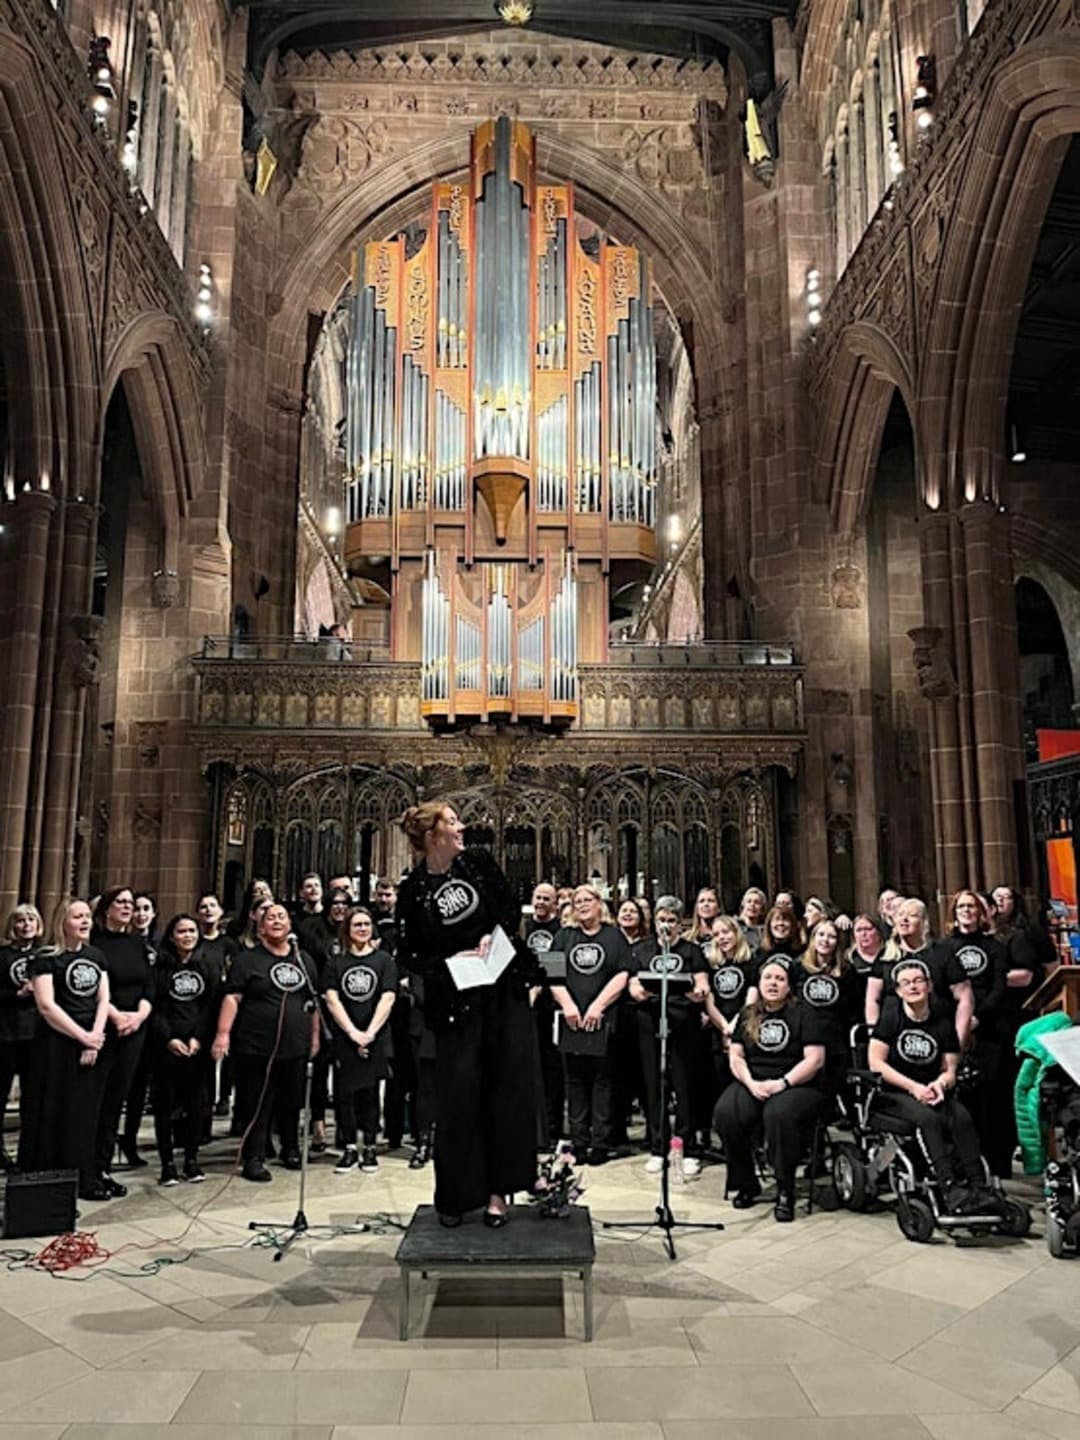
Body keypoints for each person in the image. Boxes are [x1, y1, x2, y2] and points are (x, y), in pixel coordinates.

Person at [395, 802, 541, 1227]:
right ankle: (456, 1195)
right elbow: (410, 952)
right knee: (459, 1097)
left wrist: (487, 938)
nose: (461, 827)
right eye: (453, 822)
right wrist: (449, 958)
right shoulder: (414, 889)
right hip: (456, 1001)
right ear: (433, 835)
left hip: (500, 991)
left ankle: (499, 1193)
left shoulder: (477, 863)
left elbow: (510, 909)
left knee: (504, 1091)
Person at [869, 960, 995, 1214]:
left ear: (929, 986)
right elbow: (876, 1063)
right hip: (896, 1092)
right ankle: (949, 1186)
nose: (913, 987)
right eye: (906, 983)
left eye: (918, 981)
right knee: (927, 1119)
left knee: (960, 1116)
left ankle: (979, 1185)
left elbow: (950, 1069)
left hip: (932, 1089)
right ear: (898, 990)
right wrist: (914, 1088)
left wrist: (940, 1084)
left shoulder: (942, 1022)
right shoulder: (891, 1019)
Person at [211, 902, 320, 1182]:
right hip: (257, 1045)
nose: (276, 921)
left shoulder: (303, 960)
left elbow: (312, 1001)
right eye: (270, 918)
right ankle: (254, 1157)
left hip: (295, 1045)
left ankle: (291, 1149)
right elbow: (233, 997)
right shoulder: (248, 960)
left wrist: (315, 1036)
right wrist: (223, 1034)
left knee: (292, 1101)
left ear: (290, 926)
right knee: (257, 1102)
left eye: (282, 917)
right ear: (260, 927)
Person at [714, 959, 826, 1221]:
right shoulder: (748, 1013)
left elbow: (815, 1059)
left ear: (789, 986)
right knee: (726, 1113)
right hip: (755, 1080)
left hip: (797, 1083)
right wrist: (751, 1083)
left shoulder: (804, 1013)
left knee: (778, 1115)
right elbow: (736, 1057)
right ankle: (745, 1182)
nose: (773, 983)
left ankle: (785, 1188)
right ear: (759, 983)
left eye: (779, 979)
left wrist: (783, 1083)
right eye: (768, 978)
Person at [27, 899, 111, 1200]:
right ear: (63, 921)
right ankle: (48, 1180)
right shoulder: (46, 958)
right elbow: (47, 1006)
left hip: (90, 1043)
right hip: (56, 1044)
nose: (85, 921)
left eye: (88, 916)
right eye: (78, 916)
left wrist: (96, 1036)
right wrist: (82, 1037)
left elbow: (103, 1000)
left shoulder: (97, 956)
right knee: (53, 1110)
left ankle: (83, 1178)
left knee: (83, 1115)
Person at [549, 883, 634, 1167]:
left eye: (588, 899)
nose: (582, 904)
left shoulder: (614, 936)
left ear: (600, 903)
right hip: (570, 1017)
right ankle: (579, 1141)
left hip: (604, 1018)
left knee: (602, 1081)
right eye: (577, 901)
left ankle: (600, 1142)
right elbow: (552, 974)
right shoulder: (563, 936)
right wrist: (568, 1005)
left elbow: (623, 973)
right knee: (573, 1081)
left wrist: (598, 1005)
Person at [629, 896, 709, 1174]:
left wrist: (694, 991)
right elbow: (634, 987)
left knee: (684, 1085)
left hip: (683, 1023)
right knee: (655, 1085)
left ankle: (687, 1146)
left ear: (680, 923)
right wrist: (645, 989)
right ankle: (658, 1146)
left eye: (672, 921)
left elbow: (701, 986)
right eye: (662, 920)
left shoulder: (691, 951)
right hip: (651, 1022)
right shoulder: (642, 949)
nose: (666, 925)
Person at [322, 906, 398, 1174]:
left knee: (370, 1093)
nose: (363, 929)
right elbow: (332, 998)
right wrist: (353, 1033)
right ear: (348, 930)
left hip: (375, 1035)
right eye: (357, 925)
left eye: (366, 924)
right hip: (346, 1036)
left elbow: (388, 997)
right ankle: (349, 1147)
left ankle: (369, 1147)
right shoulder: (336, 962)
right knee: (345, 1093)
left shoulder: (384, 961)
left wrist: (369, 1033)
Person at [937, 890, 1009, 1171]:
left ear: (981, 913)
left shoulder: (995, 947)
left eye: (972, 907)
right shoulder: (944, 947)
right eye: (961, 907)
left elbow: (999, 988)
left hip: (988, 1027)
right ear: (954, 913)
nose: (967, 911)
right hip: (953, 1028)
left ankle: (995, 1161)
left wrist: (977, 1017)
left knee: (991, 1097)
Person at [91, 886, 155, 1191]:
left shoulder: (137, 943)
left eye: (131, 903)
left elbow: (149, 986)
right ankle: (86, 1166)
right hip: (104, 1027)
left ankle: (102, 1167)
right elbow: (92, 988)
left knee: (117, 1099)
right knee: (97, 1099)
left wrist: (140, 1015)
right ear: (106, 908)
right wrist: (116, 1016)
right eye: (121, 902)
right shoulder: (95, 943)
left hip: (135, 1029)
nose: (128, 907)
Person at [150, 914, 221, 1185]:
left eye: (192, 931)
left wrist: (198, 1038)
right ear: (171, 936)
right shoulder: (160, 966)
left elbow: (211, 1006)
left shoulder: (207, 965)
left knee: (196, 1104)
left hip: (196, 1046)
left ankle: (191, 1159)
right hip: (166, 1045)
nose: (188, 935)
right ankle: (167, 1163)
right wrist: (168, 1038)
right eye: (182, 931)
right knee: (165, 1104)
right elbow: (154, 1005)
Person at [865, 897, 974, 1042]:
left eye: (912, 915)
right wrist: (875, 1034)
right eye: (900, 915)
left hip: (937, 1033)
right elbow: (872, 999)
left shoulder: (941, 953)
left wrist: (958, 1039)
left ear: (924, 922)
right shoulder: (885, 956)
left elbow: (965, 998)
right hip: (893, 1036)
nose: (904, 920)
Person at [793, 919, 857, 1100]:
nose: (825, 940)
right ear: (813, 938)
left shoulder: (846, 971)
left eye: (832, 936)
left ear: (838, 942)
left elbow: (853, 1006)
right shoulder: (797, 967)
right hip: (805, 1035)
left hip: (836, 1035)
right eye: (821, 935)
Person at [0, 904, 43, 1169]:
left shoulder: (45, 955)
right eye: (20, 920)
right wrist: (18, 995)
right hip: (6, 1034)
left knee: (33, 1098)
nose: (26, 925)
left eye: (31, 920)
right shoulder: (2, 956)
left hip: (35, 1035)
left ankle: (31, 1150)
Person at [703, 914, 756, 1124]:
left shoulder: (750, 962)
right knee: (719, 1081)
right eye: (716, 934)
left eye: (726, 932)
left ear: (736, 933)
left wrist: (735, 1026)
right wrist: (724, 1026)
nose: (722, 938)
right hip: (719, 1029)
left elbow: (750, 1001)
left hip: (743, 1026)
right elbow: (709, 1001)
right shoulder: (712, 965)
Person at [524, 882, 564, 1148]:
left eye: (546, 898)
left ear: (555, 904)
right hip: (523, 1006)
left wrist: (535, 991)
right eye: (537, 897)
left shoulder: (560, 932)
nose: (540, 902)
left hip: (549, 1007)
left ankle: (552, 1129)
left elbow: (554, 968)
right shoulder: (522, 926)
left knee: (551, 1070)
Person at [846, 912, 884, 1019]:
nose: (864, 934)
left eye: (868, 929)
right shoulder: (848, 960)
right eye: (859, 930)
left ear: (878, 932)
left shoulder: (888, 957)